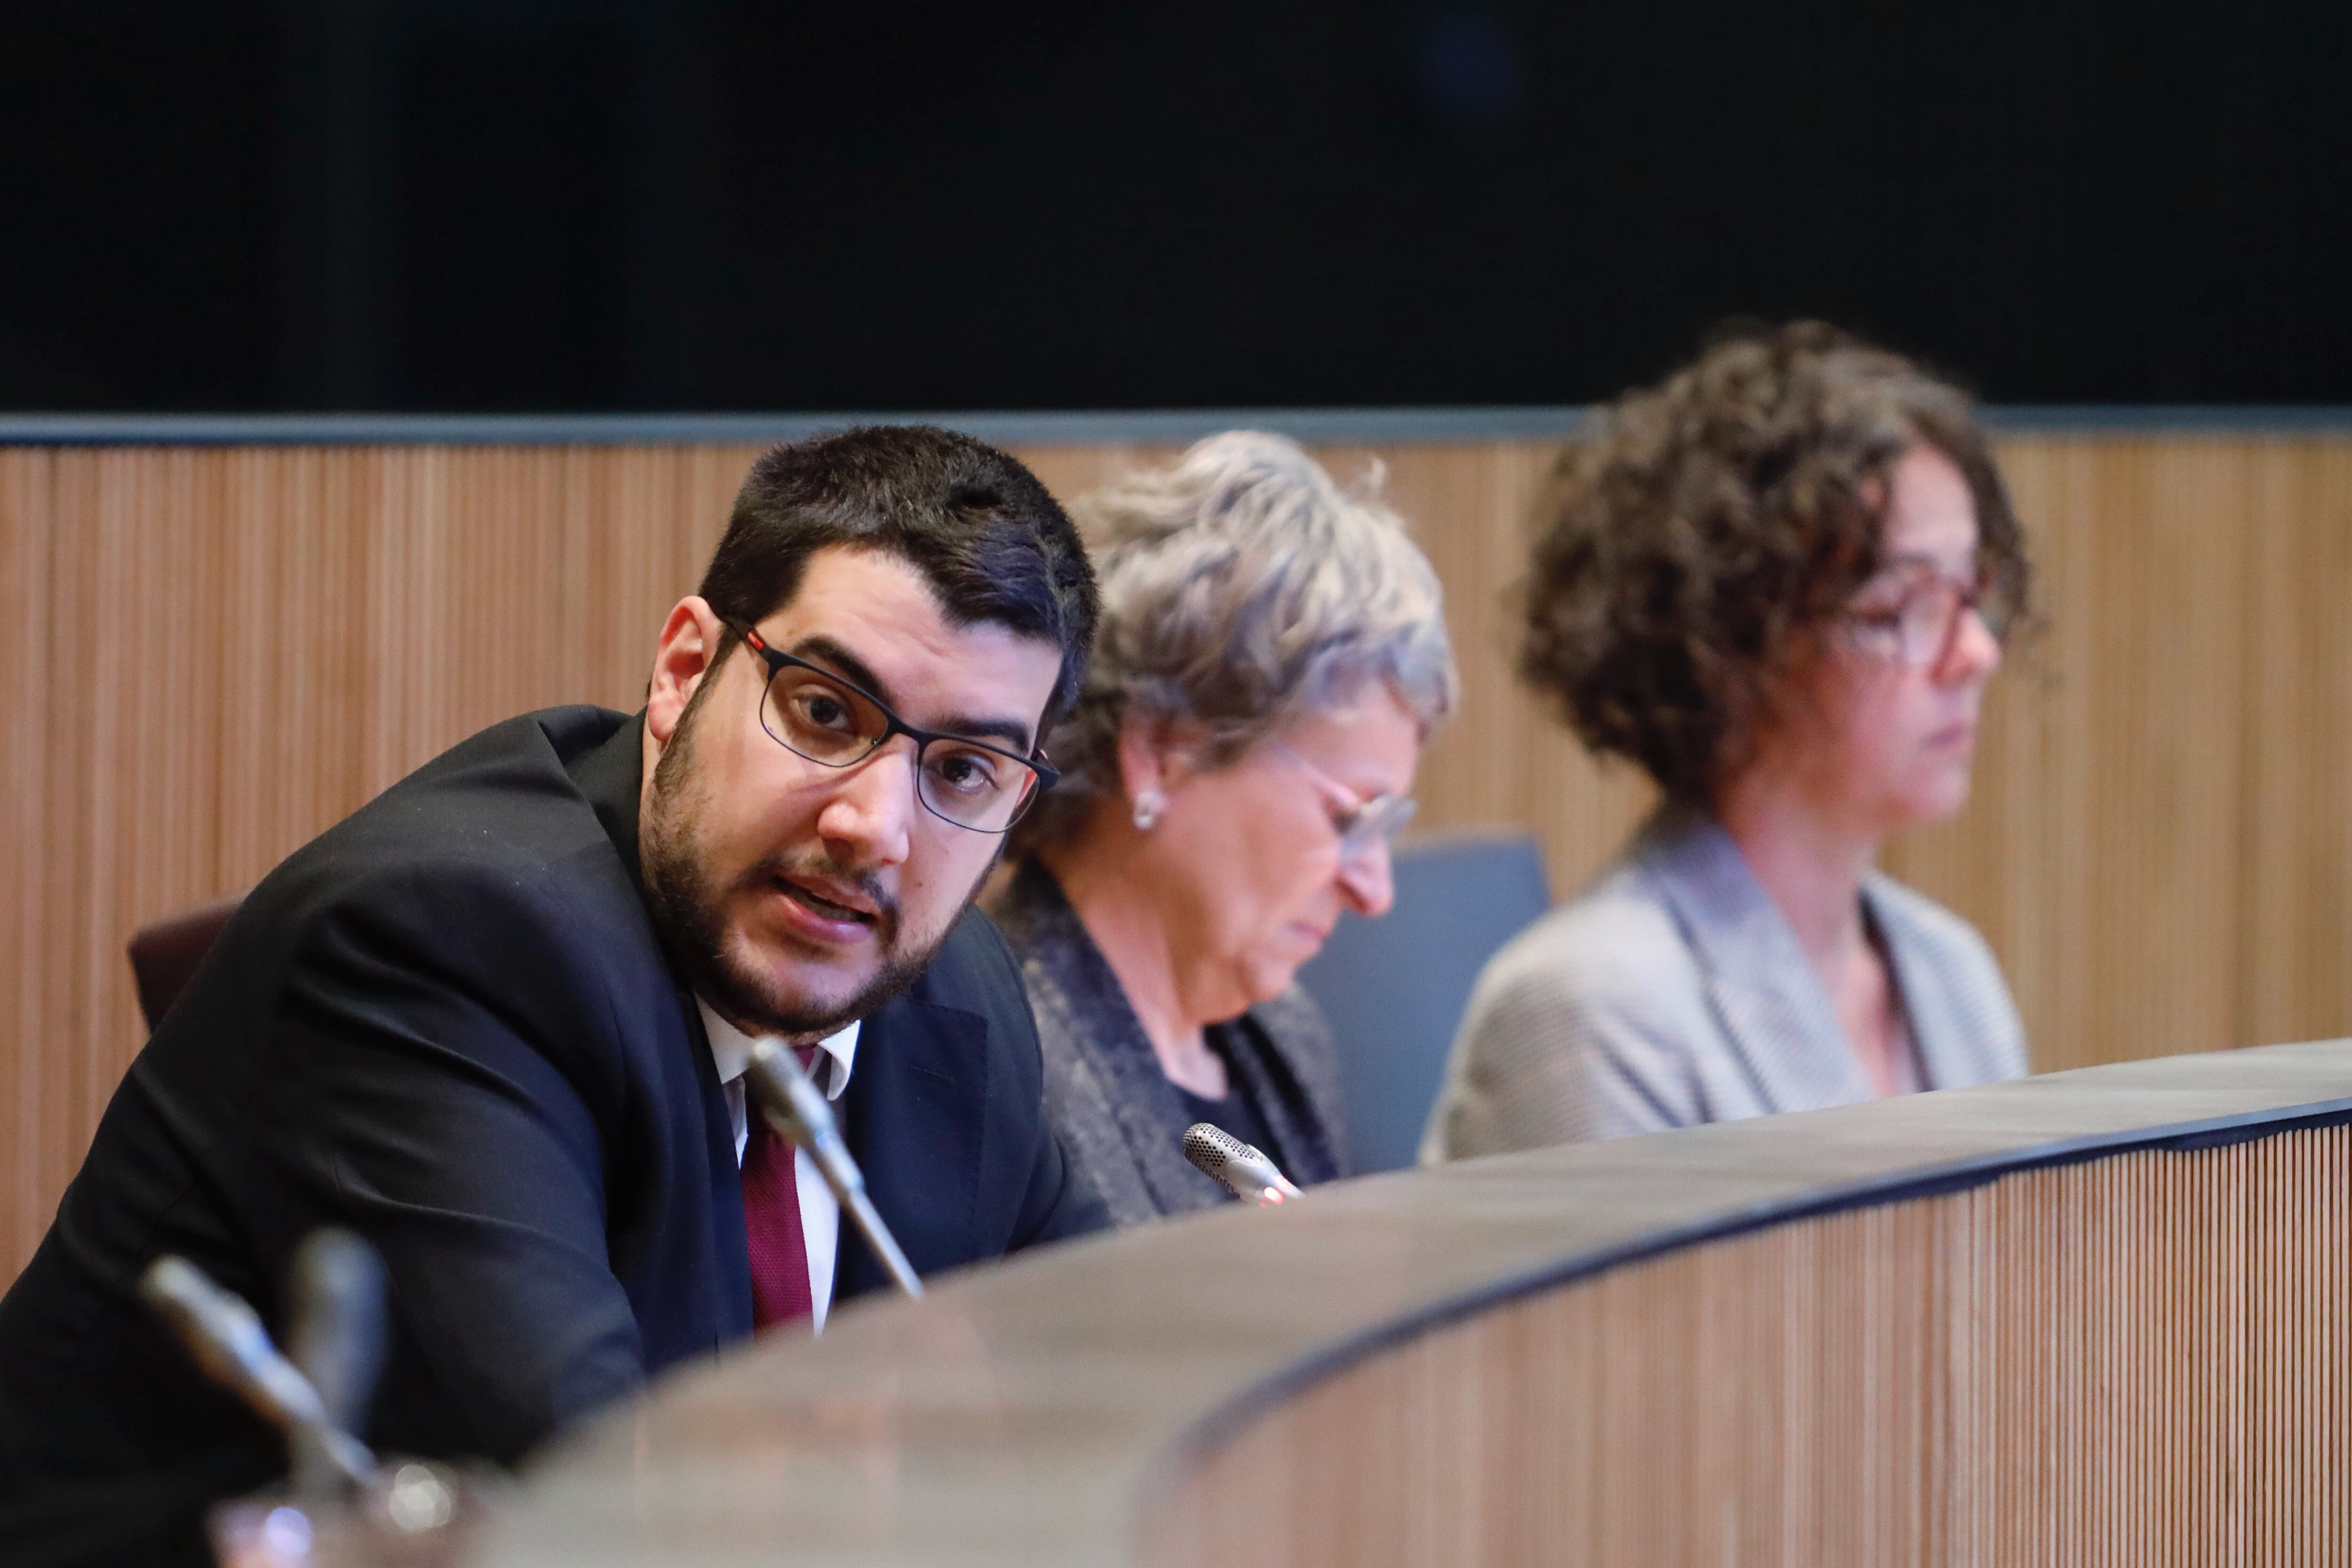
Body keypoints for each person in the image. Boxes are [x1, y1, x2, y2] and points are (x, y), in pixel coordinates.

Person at [0, 426, 1108, 1562]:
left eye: (961, 770)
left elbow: (1111, 1399)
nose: (874, 828)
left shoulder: (953, 993)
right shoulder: (444, 945)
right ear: (684, 671)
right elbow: (596, 1500)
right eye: (825, 711)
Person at [1424, 324, 2031, 1159]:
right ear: (1734, 641)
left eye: (1971, 594)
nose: (1976, 653)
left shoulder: (1951, 974)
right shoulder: (1590, 1012)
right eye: (1905, 606)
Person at [990, 432, 1457, 1225]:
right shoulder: (1004, 1069)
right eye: (1349, 816)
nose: (1375, 890)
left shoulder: (1288, 1038)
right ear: (1161, 750)